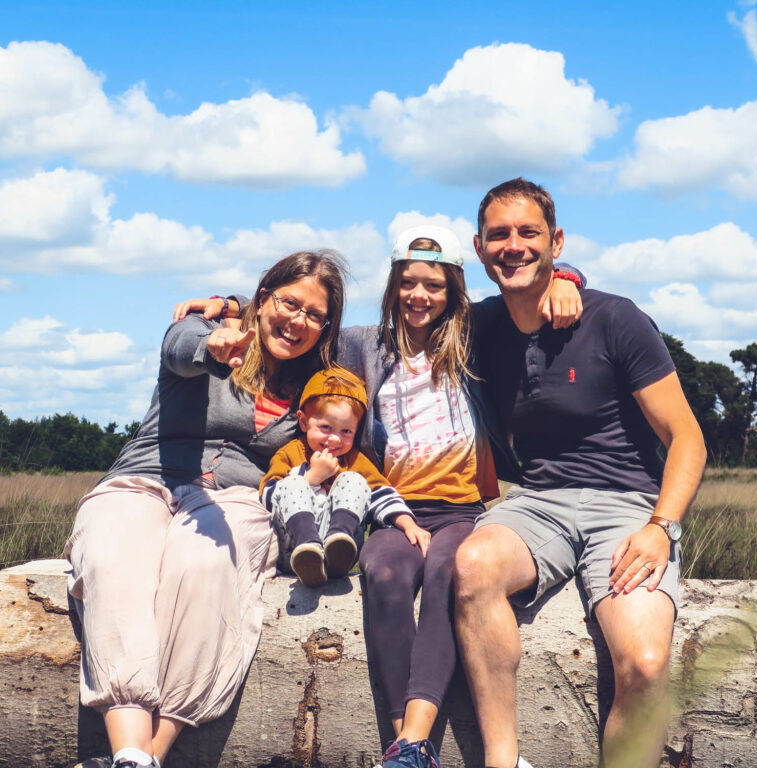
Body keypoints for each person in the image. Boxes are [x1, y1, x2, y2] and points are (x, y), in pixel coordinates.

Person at [172, 224, 584, 768]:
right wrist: (234, 306)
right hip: (394, 506)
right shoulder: (362, 343)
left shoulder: (473, 334)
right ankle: (406, 748)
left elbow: (523, 299)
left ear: (454, 291)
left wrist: (567, 277)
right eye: (409, 283)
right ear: (393, 287)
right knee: (383, 572)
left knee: (450, 570)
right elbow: (301, 318)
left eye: (435, 285)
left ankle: (416, 735)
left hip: (461, 508)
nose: (421, 296)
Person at [452, 179, 707, 768]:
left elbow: (687, 438)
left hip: (628, 505)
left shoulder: (615, 320)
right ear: (480, 247)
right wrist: (230, 311)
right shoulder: (482, 326)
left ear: (556, 241)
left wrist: (660, 526)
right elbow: (396, 318)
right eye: (498, 235)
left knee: (644, 661)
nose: (513, 246)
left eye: (528, 233)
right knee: (473, 564)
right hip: (536, 502)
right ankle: (503, 759)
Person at [64, 250, 347, 768]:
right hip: (147, 479)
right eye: (289, 303)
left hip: (236, 498)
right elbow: (180, 346)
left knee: (204, 563)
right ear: (262, 301)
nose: (298, 321)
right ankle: (129, 749)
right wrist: (216, 338)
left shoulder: (318, 381)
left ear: (326, 327)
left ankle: (147, 755)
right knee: (111, 555)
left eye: (314, 314)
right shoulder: (209, 331)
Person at [259, 366, 410, 587]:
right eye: (326, 427)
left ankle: (338, 543)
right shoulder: (292, 453)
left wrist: (405, 521)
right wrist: (310, 478)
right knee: (291, 483)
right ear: (303, 422)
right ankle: (308, 553)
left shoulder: (354, 460)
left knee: (354, 480)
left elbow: (379, 492)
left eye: (346, 431)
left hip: (344, 551)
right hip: (292, 550)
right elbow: (267, 496)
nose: (335, 440)